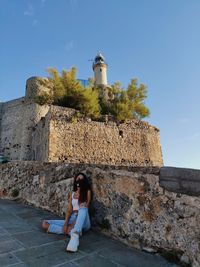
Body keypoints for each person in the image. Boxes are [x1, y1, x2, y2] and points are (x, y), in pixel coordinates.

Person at [42, 172, 91, 252]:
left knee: (83, 206)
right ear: (75, 181)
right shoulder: (72, 194)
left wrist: (73, 224)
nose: (79, 180)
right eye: (78, 179)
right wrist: (65, 224)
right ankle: (71, 232)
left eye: (81, 179)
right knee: (45, 223)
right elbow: (69, 210)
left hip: (83, 220)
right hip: (73, 218)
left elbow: (87, 207)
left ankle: (75, 234)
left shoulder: (87, 192)